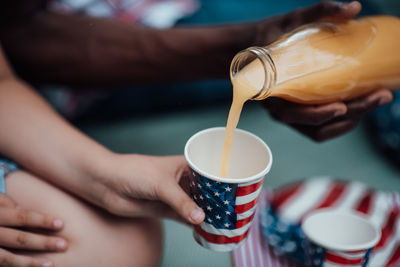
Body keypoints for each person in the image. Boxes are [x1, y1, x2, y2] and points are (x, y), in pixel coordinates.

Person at [0, 1, 393, 266]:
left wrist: (105, 174)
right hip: (80, 42)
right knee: (126, 244)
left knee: (346, 21)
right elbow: (21, 33)